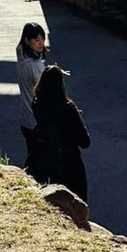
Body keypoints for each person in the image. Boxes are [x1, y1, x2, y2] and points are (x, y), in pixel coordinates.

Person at [32, 64, 91, 201]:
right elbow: (85, 142)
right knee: (77, 202)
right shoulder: (67, 109)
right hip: (70, 162)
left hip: (49, 160)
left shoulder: (37, 103)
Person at [16, 21, 48, 178]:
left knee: (33, 155)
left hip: (25, 118)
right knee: (39, 160)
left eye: (42, 38)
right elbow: (45, 93)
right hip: (36, 120)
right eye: (37, 40)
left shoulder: (22, 59)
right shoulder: (35, 66)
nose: (41, 43)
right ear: (28, 41)